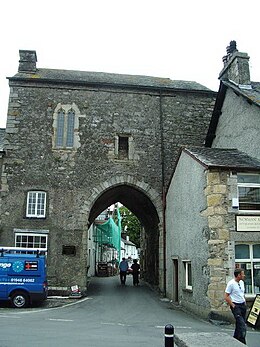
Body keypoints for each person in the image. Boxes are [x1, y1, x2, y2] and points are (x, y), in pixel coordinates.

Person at [224, 268, 247, 345]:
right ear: (238, 275)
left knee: (239, 325)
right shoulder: (231, 284)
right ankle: (242, 342)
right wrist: (233, 305)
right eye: (242, 274)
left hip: (242, 305)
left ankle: (235, 339)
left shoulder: (242, 282)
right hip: (236, 306)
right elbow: (226, 296)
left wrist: (244, 302)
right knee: (242, 325)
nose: (244, 275)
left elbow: (242, 293)